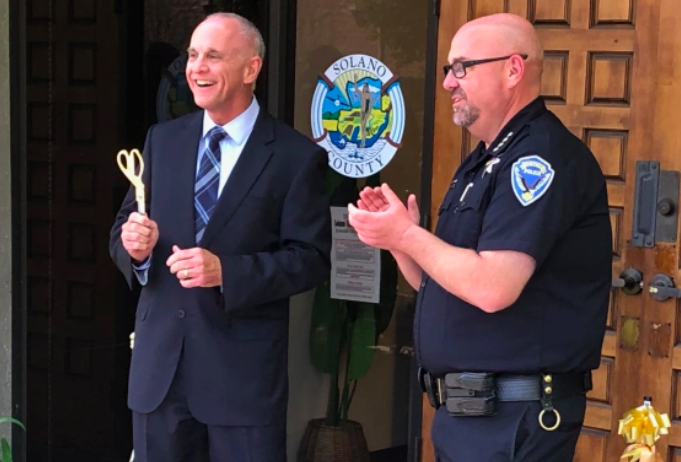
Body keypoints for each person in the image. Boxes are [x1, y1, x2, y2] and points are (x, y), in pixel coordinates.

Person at [347, 13, 611, 462]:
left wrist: (410, 237)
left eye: (462, 67)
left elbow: (493, 288)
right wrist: (397, 238)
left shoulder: (538, 159)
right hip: (470, 417)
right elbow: (447, 287)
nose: (449, 81)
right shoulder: (483, 160)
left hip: (514, 420)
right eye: (449, 68)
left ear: (513, 69)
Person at [109, 12, 331, 462]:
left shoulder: (294, 156)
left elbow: (310, 258)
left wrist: (226, 272)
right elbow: (123, 230)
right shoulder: (162, 140)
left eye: (213, 56)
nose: (196, 67)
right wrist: (135, 250)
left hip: (243, 382)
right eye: (193, 55)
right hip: (160, 376)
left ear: (251, 68)